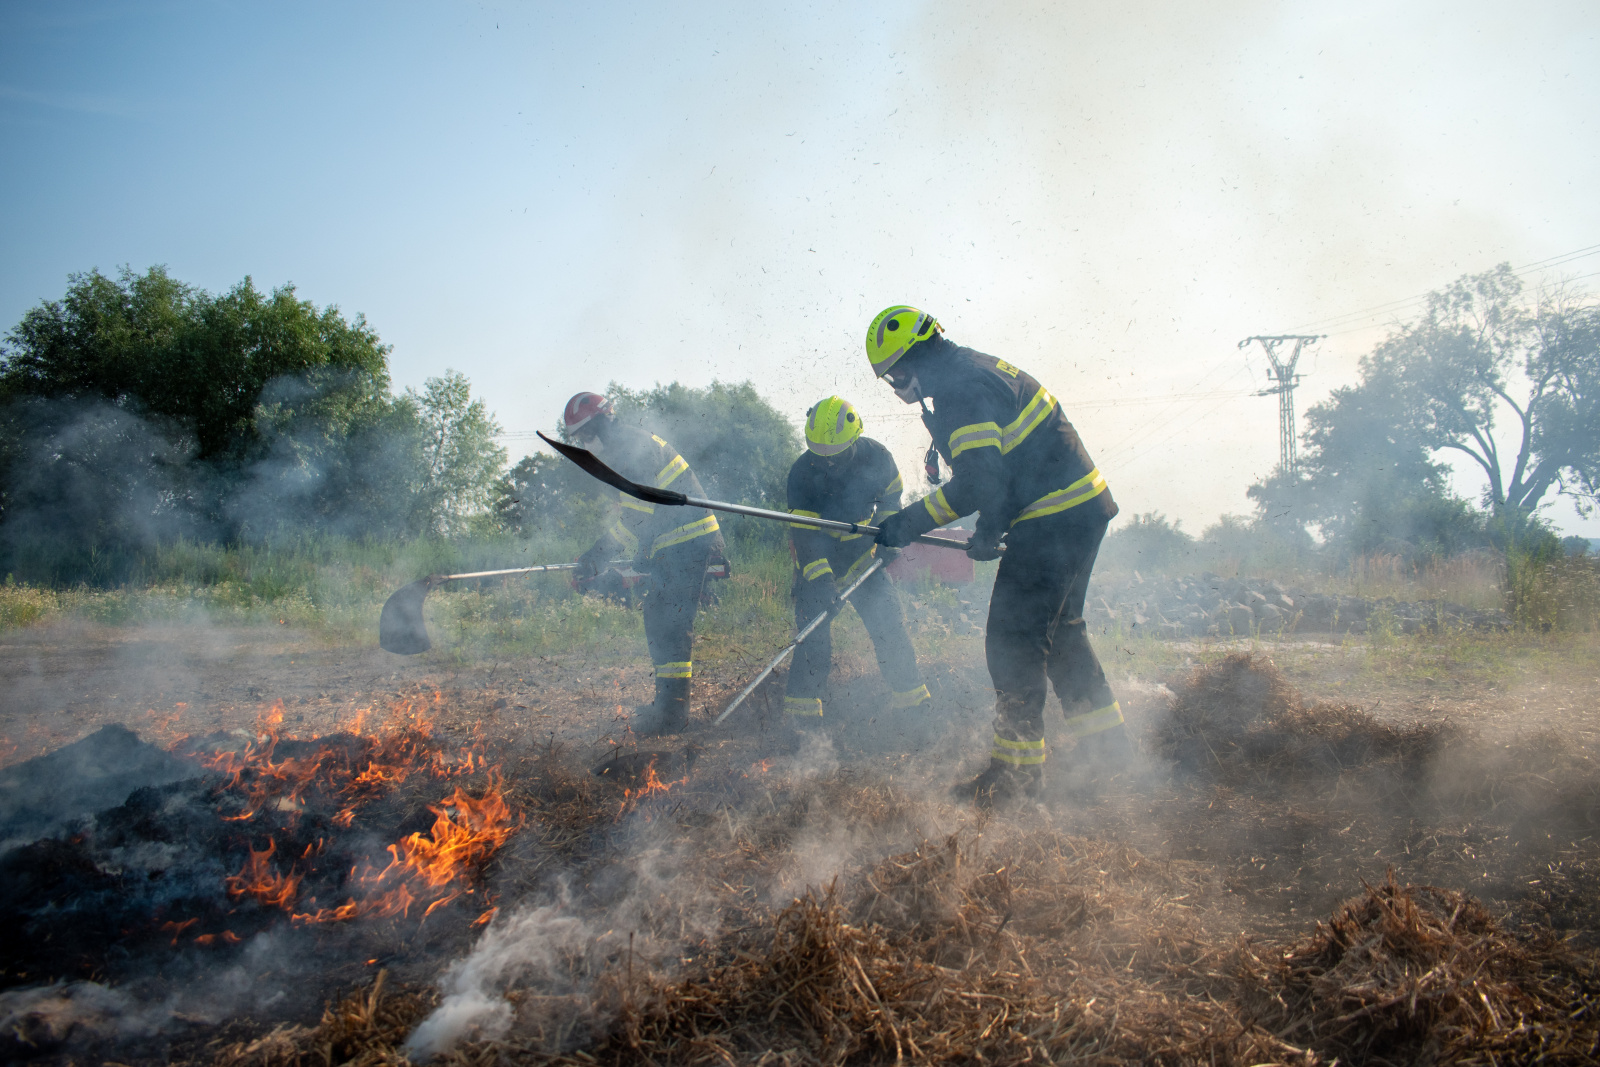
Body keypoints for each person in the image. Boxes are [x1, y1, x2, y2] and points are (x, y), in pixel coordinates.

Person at [865, 306, 1130, 804]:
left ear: (909, 361)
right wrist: (991, 526)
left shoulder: (960, 389)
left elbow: (980, 481)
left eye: (894, 375)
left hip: (1053, 514)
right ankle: (1111, 755)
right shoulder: (972, 369)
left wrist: (908, 522)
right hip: (1079, 507)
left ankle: (1017, 779)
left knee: (1013, 641)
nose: (896, 386)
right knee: (1063, 636)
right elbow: (1009, 468)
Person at [563, 392, 725, 736]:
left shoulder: (629, 450)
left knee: (670, 623)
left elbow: (637, 517)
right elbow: (649, 513)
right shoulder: (627, 445)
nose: (585, 443)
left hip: (689, 538)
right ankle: (668, 707)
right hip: (676, 540)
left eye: (585, 435)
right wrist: (643, 550)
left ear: (601, 423)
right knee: (659, 619)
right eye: (578, 440)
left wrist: (598, 553)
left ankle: (672, 715)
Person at [783, 396, 931, 741]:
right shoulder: (801, 473)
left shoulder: (878, 458)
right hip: (818, 557)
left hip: (863, 556)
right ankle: (800, 725)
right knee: (813, 637)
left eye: (833, 454)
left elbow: (892, 499)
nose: (826, 463)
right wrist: (820, 581)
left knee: (889, 627)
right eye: (818, 454)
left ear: (853, 440)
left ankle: (913, 708)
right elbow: (804, 534)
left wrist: (886, 536)